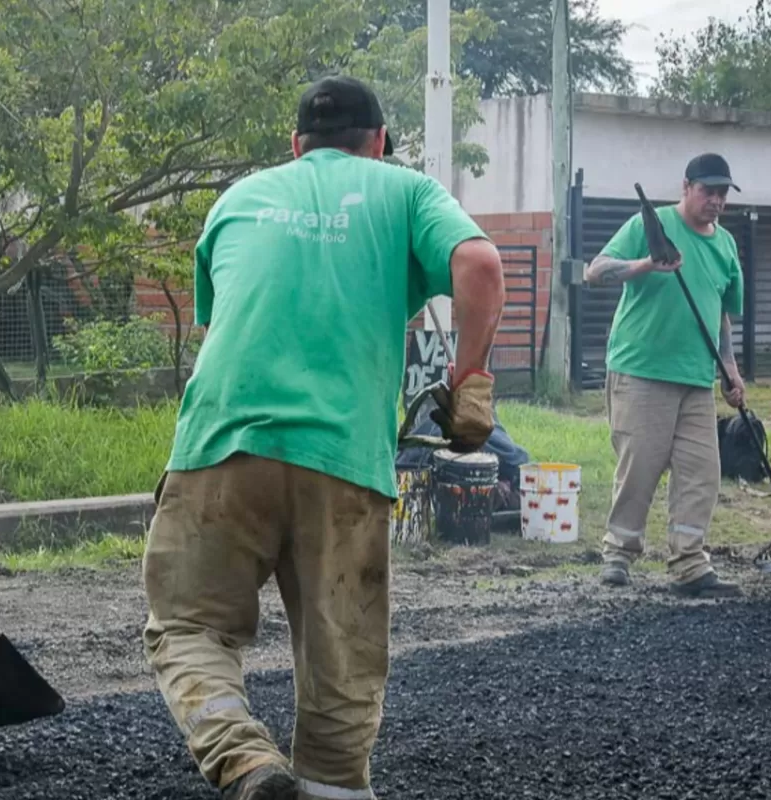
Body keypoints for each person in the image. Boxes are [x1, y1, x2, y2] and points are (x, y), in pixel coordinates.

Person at [141, 74, 506, 800]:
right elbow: (481, 264)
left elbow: (223, 329)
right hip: (341, 457)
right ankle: (333, 788)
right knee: (342, 658)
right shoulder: (399, 189)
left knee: (189, 627)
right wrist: (468, 380)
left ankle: (244, 759)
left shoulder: (238, 199)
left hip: (222, 443)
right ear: (377, 144)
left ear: (295, 145)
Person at [584, 152, 747, 599]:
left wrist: (730, 369)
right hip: (641, 370)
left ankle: (690, 563)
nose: (715, 201)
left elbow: (721, 315)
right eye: (707, 191)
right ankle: (619, 553)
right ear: (686, 187)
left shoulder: (726, 246)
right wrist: (644, 265)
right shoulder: (650, 225)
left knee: (702, 473)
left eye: (722, 193)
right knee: (640, 468)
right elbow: (594, 271)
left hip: (696, 380)